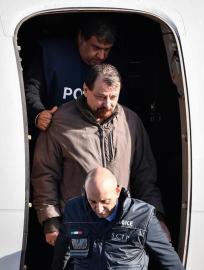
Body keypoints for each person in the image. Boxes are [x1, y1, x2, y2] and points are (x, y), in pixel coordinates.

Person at [31, 64, 167, 248]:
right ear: (85, 90)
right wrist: (50, 221)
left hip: (122, 229)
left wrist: (156, 218)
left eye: (113, 97)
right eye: (101, 97)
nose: (108, 104)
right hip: (77, 228)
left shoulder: (131, 122)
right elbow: (44, 174)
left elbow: (145, 176)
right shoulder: (60, 122)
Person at [52, 167, 184, 270]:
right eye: (92, 201)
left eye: (105, 201)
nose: (99, 209)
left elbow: (169, 260)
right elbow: (61, 252)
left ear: (117, 191)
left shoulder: (143, 216)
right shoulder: (73, 210)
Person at [24, 15, 117, 131]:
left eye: (107, 49)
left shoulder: (115, 63)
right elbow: (31, 89)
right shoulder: (50, 54)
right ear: (81, 38)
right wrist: (38, 114)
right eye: (96, 47)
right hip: (55, 134)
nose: (102, 56)